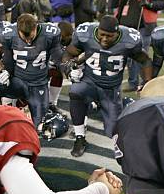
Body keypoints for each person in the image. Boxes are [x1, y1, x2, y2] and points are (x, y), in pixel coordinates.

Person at [63, 15, 152, 156]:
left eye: (109, 36)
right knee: (75, 91)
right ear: (97, 30)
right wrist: (68, 68)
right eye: (102, 34)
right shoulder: (85, 34)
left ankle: (100, 104)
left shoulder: (129, 40)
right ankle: (80, 137)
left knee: (112, 132)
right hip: (90, 81)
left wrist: (147, 82)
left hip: (111, 88)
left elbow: (145, 60)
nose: (104, 39)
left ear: (117, 34)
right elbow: (68, 53)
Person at [0, 14, 62, 128]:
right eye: (25, 37)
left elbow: (58, 58)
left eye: (31, 37)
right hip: (19, 81)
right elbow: (8, 60)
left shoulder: (49, 34)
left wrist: (68, 68)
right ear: (18, 30)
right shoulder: (9, 35)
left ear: (36, 27)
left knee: (38, 124)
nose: (28, 41)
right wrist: (5, 72)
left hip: (39, 83)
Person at [114, 0, 164, 91]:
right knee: (129, 57)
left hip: (143, 28)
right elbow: (116, 4)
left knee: (141, 56)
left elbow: (162, 3)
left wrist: (149, 4)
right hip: (125, 28)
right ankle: (133, 83)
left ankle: (146, 83)